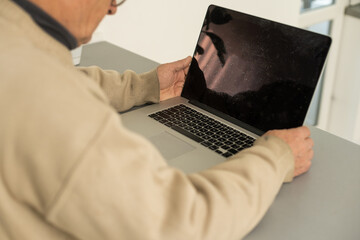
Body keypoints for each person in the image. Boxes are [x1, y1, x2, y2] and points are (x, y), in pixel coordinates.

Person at [0, 0, 313, 239]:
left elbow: (52, 78)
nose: (112, 11)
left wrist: (143, 86)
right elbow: (181, 223)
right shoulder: (53, 101)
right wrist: (276, 157)